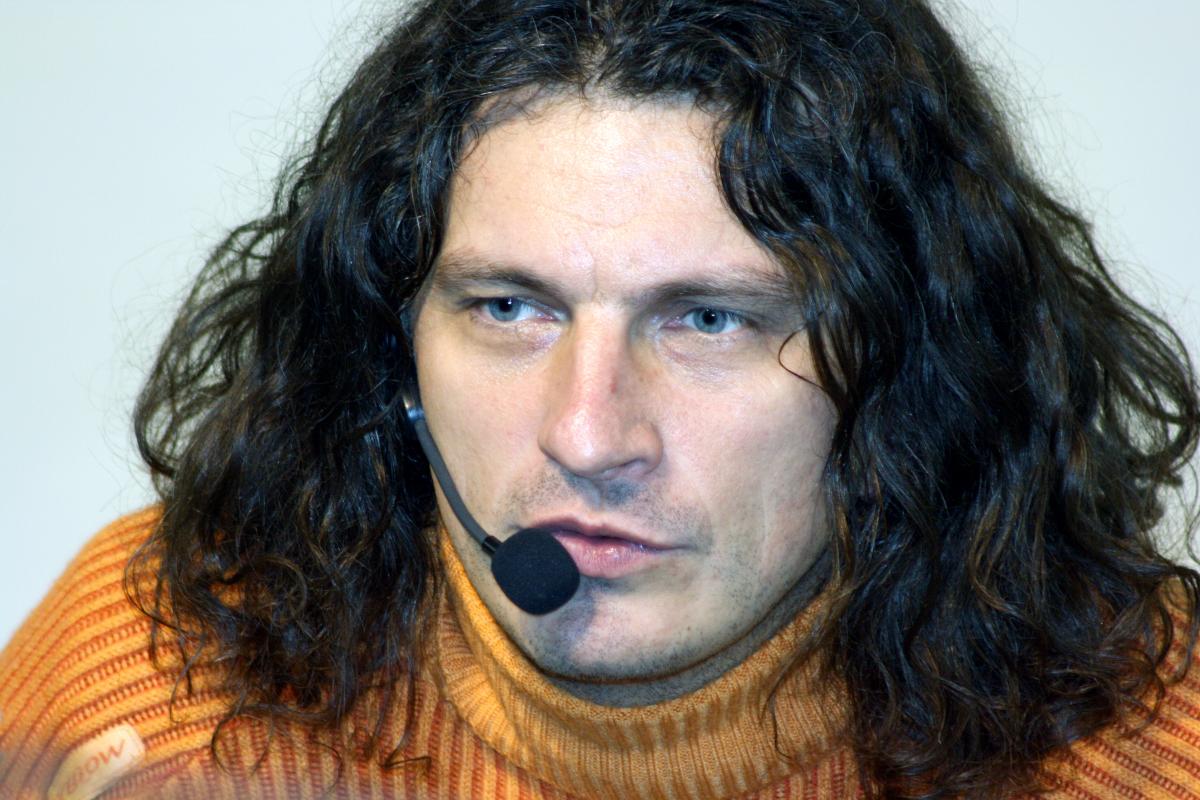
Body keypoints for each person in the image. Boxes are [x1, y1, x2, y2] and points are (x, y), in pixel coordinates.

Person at [2, 0, 1198, 797]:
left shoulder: (1149, 745)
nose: (587, 434)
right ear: (391, 356)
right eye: (508, 308)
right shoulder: (153, 679)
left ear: (905, 368)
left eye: (708, 319)